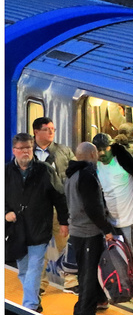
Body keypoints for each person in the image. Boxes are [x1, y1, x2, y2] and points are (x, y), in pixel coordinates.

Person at [6, 132, 67, 312]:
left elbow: (59, 197)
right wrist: (5, 213)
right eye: (21, 149)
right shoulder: (6, 172)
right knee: (24, 271)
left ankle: (30, 306)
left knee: (34, 268)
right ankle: (35, 300)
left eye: (28, 148)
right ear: (14, 151)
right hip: (16, 231)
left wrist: (64, 221)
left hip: (39, 228)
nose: (25, 152)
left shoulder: (45, 170)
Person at [64, 142, 117, 315]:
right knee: (87, 277)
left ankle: (88, 313)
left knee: (89, 275)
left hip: (79, 231)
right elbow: (92, 207)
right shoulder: (87, 175)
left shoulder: (72, 175)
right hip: (87, 233)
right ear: (93, 154)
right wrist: (107, 229)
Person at [34, 118, 76, 285]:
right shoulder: (27, 152)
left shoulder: (64, 151)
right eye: (47, 129)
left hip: (60, 208)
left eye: (53, 129)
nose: (51, 132)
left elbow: (75, 175)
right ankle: (39, 284)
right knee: (38, 249)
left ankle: (71, 280)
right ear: (36, 132)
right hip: (37, 209)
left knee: (65, 244)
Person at [91, 132, 133, 233]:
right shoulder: (95, 168)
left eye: (106, 148)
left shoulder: (122, 161)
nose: (102, 153)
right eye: (99, 150)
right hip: (111, 224)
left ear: (111, 147)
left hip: (131, 222)